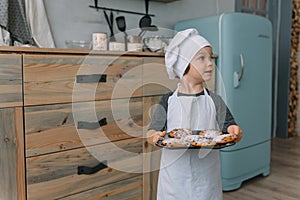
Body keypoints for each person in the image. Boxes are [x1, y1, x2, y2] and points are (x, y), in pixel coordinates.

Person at [146, 28, 242, 200]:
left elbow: (229, 126)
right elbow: (153, 131)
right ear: (183, 65)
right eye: (202, 58)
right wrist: (154, 136)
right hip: (175, 177)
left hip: (206, 175)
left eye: (210, 57)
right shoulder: (168, 101)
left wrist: (235, 131)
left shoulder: (215, 100)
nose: (210, 63)